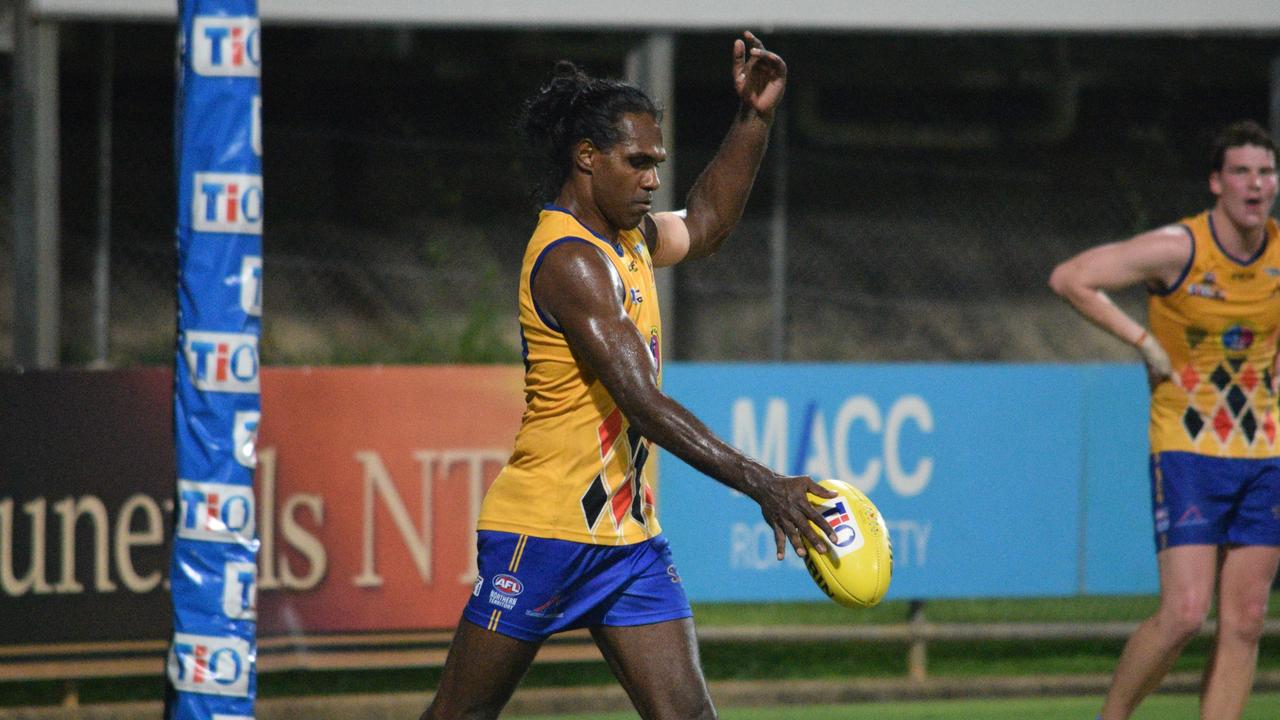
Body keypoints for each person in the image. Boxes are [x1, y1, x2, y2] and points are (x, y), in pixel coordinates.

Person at [421, 32, 838, 720]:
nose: (652, 179)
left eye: (657, 163)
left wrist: (753, 119)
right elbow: (641, 406)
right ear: (585, 159)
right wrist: (764, 482)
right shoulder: (571, 259)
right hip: (548, 533)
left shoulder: (629, 239)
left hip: (628, 542)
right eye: (637, 162)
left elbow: (707, 222)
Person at [1049, 120, 1280, 720]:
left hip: (1266, 452)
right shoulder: (1181, 249)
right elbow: (1071, 278)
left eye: (1266, 172)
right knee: (1184, 613)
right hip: (1188, 445)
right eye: (1241, 172)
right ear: (1215, 183)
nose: (1256, 185)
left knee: (1248, 618)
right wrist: (1143, 342)